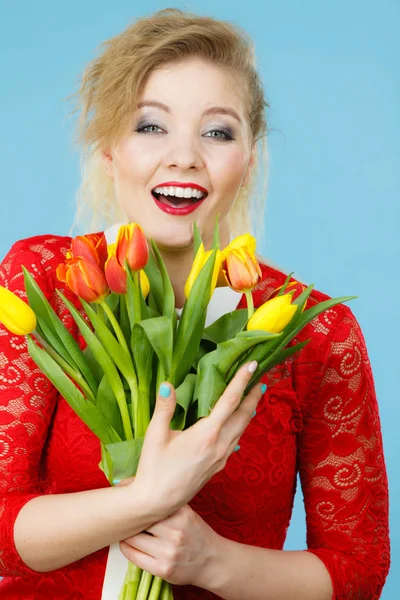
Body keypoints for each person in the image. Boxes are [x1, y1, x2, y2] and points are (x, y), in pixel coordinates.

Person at [0, 7, 390, 600]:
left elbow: (359, 570)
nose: (183, 156)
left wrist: (213, 563)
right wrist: (144, 501)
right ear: (109, 150)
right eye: (150, 126)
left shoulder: (315, 331)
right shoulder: (45, 281)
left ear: (249, 158)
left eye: (217, 131)